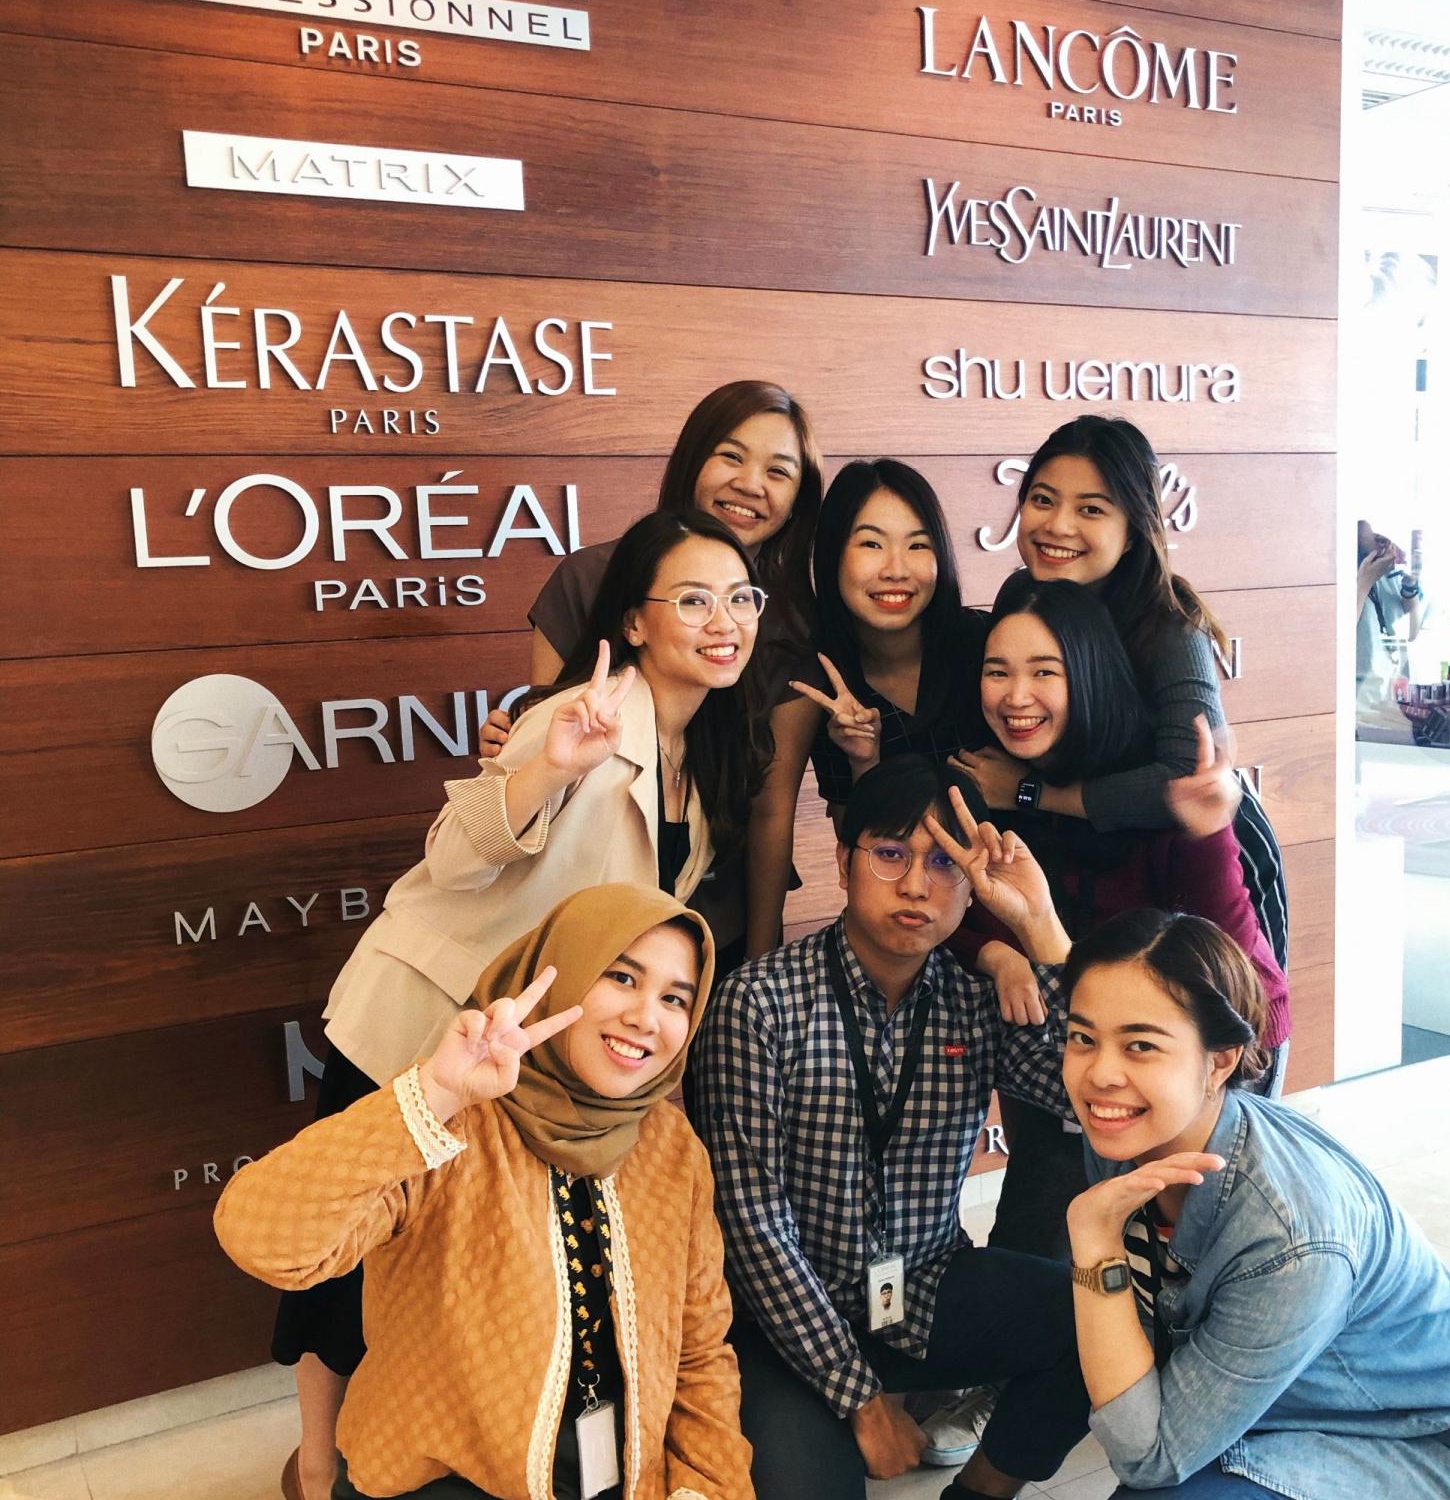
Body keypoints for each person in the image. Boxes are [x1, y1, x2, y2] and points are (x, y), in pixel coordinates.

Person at [274, 509, 768, 1500]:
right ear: (634, 621)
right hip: (424, 1028)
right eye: (695, 599)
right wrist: (548, 760)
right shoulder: (577, 721)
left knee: (430, 1273)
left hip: (525, 1056)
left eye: (743, 598)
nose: (726, 620)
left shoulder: (697, 765)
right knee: (343, 1270)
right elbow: (455, 858)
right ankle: (321, 1467)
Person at [919, 574, 1290, 1469]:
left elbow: (1254, 1006)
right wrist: (995, 949)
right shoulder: (993, 781)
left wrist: (1049, 937)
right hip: (1066, 1064)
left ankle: (1191, 1380)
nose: (1015, 696)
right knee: (1041, 1229)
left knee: (1190, 1257)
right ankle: (1020, 1392)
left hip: (1187, 1079)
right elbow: (967, 906)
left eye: (1044, 671)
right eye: (997, 670)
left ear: (1087, 673)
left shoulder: (1162, 808)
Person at [216, 883, 754, 1500]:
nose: (646, 1017)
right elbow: (262, 1239)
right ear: (558, 977)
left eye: (675, 998)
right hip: (442, 1482)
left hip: (624, 1475)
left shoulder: (669, 1144)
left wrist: (705, 1488)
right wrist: (436, 1095)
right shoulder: (450, 1124)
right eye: (622, 978)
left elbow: (700, 1350)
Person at [691, 755, 1090, 1500]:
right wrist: (862, 1402)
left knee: (1097, 1325)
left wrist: (1039, 928)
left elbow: (1088, 1098)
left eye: (944, 862)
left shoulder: (977, 997)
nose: (916, 885)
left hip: (925, 1287)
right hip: (789, 1322)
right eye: (890, 855)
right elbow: (752, 1227)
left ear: (972, 885)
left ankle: (977, 1494)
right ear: (843, 863)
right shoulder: (759, 1005)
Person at [1057, 907, 1450, 1498]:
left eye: (1141, 1046)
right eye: (1082, 1038)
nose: (1100, 1074)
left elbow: (1147, 1457)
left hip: (1409, 1445)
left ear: (1219, 1061)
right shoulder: (1136, 1130)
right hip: (1280, 1405)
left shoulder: (1287, 1234)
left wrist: (1095, 1242)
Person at [481, 380, 824, 971]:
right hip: (576, 929)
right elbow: (544, 737)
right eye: (731, 455)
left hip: (712, 928)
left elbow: (772, 811)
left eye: (779, 471)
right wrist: (518, 756)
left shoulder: (790, 623)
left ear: (798, 499)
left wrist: (762, 962)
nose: (751, 484)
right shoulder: (589, 581)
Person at [952, 415, 1288, 969]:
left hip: (1199, 852)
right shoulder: (1022, 591)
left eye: (1090, 509)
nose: (1057, 526)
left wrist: (1035, 793)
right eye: (1042, 499)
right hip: (1097, 864)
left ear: (1133, 527)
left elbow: (1186, 778)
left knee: (1235, 1012)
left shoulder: (1167, 626)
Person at [745, 457, 990, 957]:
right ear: (834, 555)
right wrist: (864, 761)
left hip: (1006, 901)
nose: (896, 569)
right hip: (902, 922)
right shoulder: (821, 675)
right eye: (871, 543)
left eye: (918, 545)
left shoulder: (982, 647)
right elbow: (862, 847)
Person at [1355, 518, 1425, 728]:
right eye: (1372, 537)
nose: (1381, 543)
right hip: (1358, 707)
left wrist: (1411, 581)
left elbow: (1413, 632)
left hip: (1391, 698)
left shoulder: (1388, 576)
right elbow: (1336, 636)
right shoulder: (1339, 584)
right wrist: (1365, 580)